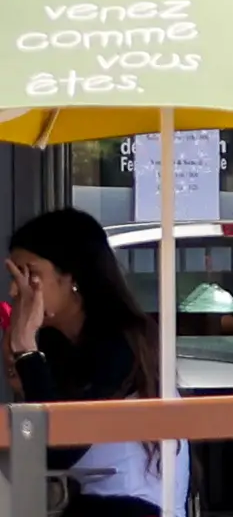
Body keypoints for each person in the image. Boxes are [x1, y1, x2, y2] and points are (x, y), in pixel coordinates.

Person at [7, 208, 178, 517]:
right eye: (14, 276)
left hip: (136, 506)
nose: (14, 290)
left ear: (71, 276)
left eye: (30, 274)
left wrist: (26, 350)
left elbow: (57, 450)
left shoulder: (122, 341)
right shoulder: (58, 342)